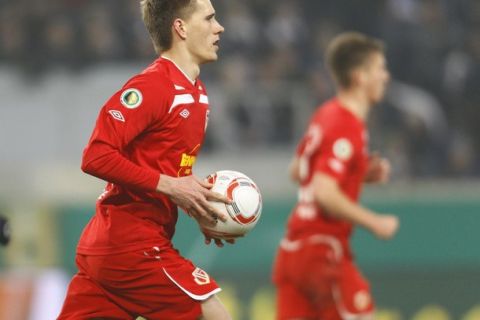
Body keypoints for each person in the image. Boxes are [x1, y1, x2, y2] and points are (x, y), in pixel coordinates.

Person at [57, 0, 233, 319]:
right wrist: (172, 187)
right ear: (180, 28)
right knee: (214, 314)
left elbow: (164, 171)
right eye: (209, 18)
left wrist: (196, 202)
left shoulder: (198, 94)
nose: (219, 27)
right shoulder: (153, 86)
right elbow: (95, 155)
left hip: (117, 249)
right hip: (131, 245)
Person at [272, 32, 400, 320]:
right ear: (359, 76)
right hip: (323, 250)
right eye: (379, 68)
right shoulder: (347, 125)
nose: (386, 76)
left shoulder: (326, 114)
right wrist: (375, 222)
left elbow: (298, 171)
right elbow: (323, 192)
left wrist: (357, 174)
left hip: (294, 250)